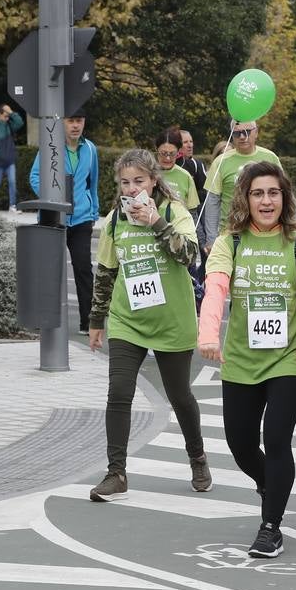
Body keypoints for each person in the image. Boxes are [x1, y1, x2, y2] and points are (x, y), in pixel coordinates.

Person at [197, 161, 296, 558]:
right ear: (246, 198)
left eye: (273, 193)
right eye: (258, 193)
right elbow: (216, 291)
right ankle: (271, 485)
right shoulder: (230, 242)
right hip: (241, 358)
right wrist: (207, 336)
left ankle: (270, 527)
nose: (266, 200)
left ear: (284, 197)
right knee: (240, 444)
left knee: (276, 438)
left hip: (291, 358)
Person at [87, 149, 210, 501]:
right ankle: (116, 473)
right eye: (125, 182)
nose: (131, 189)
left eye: (138, 181)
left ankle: (197, 457)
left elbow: (189, 256)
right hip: (129, 319)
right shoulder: (114, 220)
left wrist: (156, 222)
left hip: (173, 320)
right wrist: (97, 320)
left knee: (180, 395)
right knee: (119, 391)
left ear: (154, 181)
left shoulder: (174, 212)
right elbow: (107, 271)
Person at [30, 113, 101, 333]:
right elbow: (34, 177)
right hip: (53, 218)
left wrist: (94, 210)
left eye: (80, 120)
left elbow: (93, 182)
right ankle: (44, 320)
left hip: (81, 218)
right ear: (62, 122)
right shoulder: (50, 146)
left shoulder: (90, 149)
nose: (76, 125)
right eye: (71, 121)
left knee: (83, 269)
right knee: (49, 270)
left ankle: (86, 322)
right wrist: (52, 199)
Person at [196, 121, 281, 251]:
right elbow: (212, 202)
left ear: (256, 132)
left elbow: (285, 194)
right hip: (231, 235)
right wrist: (212, 240)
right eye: (237, 133)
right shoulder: (220, 161)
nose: (242, 136)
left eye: (247, 132)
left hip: (266, 233)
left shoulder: (271, 158)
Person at [154, 128, 200, 212]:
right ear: (156, 150)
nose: (167, 158)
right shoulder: (148, 173)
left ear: (179, 152)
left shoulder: (185, 176)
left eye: (172, 154)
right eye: (163, 153)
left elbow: (192, 212)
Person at [177, 129, 208, 206]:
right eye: (185, 142)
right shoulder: (168, 164)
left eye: (191, 141)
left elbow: (205, 192)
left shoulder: (198, 164)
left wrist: (188, 197)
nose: (190, 145)